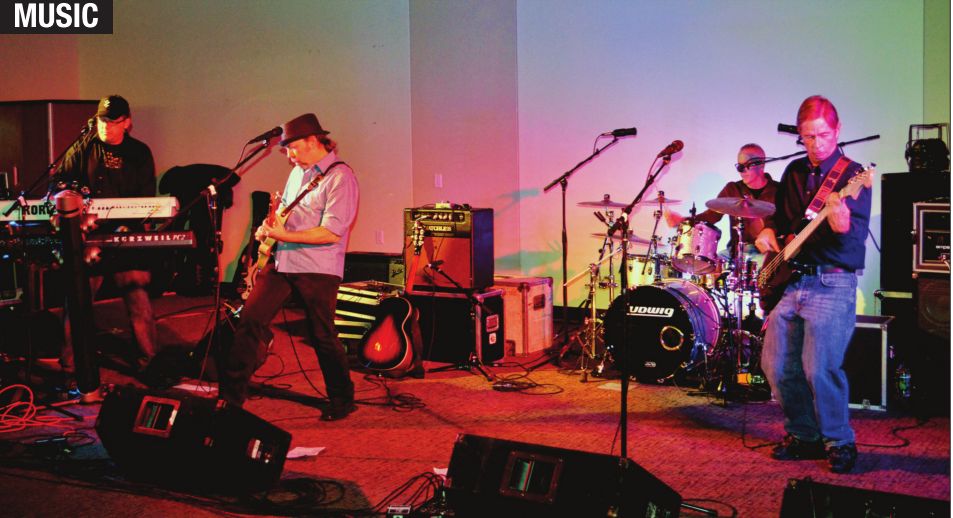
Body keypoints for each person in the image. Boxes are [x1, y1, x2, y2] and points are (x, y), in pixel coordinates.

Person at [754, 95, 871, 474]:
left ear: (837, 131)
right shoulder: (794, 172)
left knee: (820, 369)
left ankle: (839, 440)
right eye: (808, 137)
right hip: (793, 281)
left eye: (823, 135)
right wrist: (768, 231)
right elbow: (782, 220)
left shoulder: (853, 176)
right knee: (775, 366)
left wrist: (840, 222)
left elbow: (853, 238)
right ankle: (804, 435)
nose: (816, 144)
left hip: (831, 281)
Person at [219, 113, 360, 421]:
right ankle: (229, 398)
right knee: (250, 322)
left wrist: (282, 235)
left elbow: (331, 232)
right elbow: (285, 212)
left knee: (322, 333)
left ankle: (342, 398)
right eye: (286, 149)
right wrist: (268, 228)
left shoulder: (341, 177)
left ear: (313, 141)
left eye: (293, 148)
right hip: (283, 260)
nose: (289, 155)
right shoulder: (297, 173)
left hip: (318, 267)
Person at [52, 95, 158, 380]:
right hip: (91, 235)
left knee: (138, 297)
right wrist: (68, 198)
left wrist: (130, 224)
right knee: (78, 298)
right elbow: (60, 184)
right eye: (101, 120)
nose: (105, 127)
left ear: (127, 123)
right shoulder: (82, 147)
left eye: (112, 122)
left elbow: (147, 200)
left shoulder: (139, 153)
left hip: (127, 234)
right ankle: (69, 365)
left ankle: (148, 364)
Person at [665, 143, 779, 258]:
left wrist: (770, 229)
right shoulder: (732, 189)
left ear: (761, 165)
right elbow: (711, 216)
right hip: (735, 253)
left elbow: (784, 222)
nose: (742, 171)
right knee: (710, 264)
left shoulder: (779, 190)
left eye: (747, 165)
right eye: (739, 166)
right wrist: (683, 221)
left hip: (767, 253)